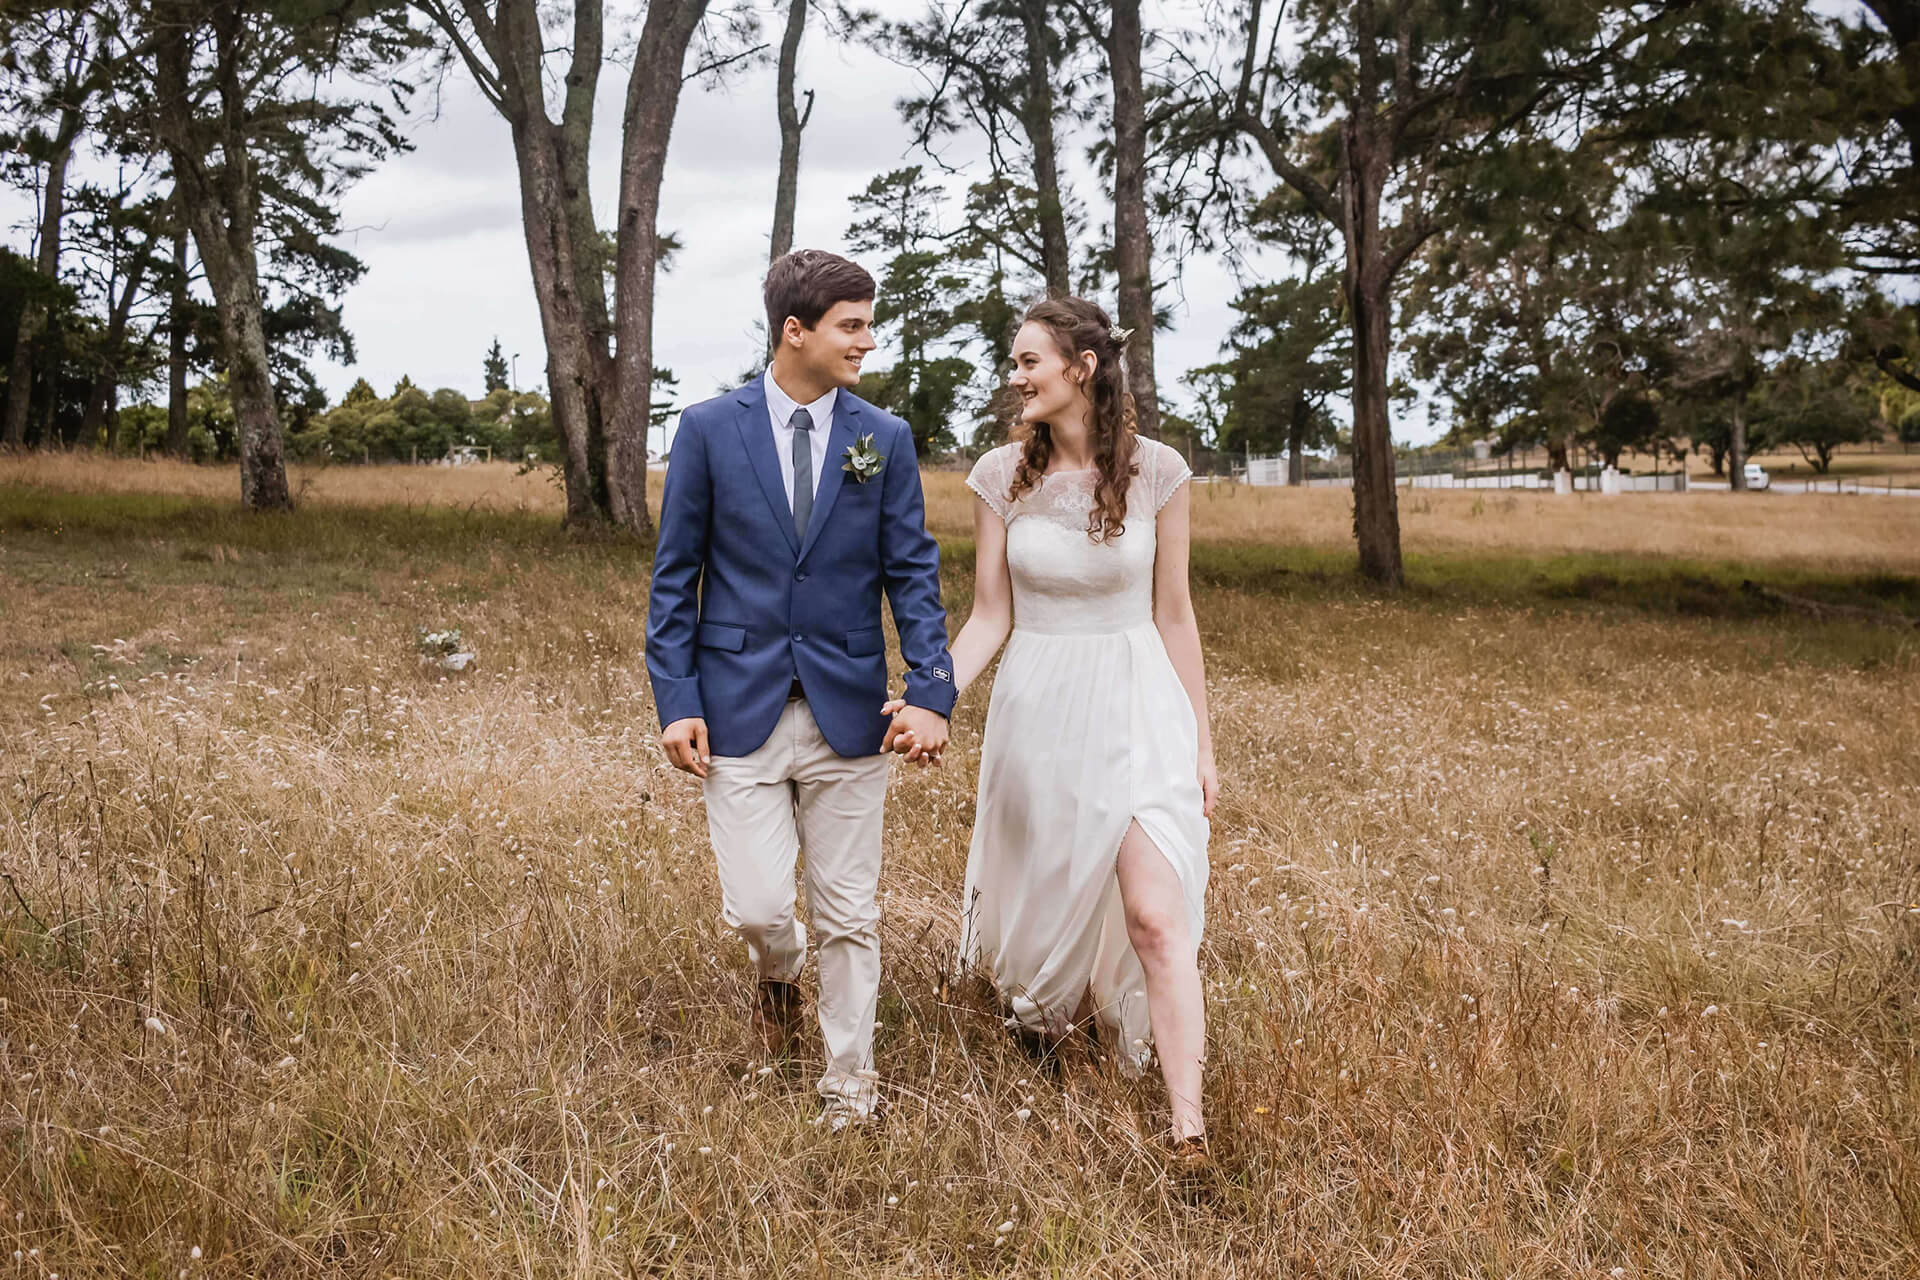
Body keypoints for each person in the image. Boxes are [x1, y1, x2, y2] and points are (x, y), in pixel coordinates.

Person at [890, 296, 1217, 1162]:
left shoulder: (1159, 472)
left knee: (1155, 916)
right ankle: (1055, 1042)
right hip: (1038, 709)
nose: (1016, 376)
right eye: (1015, 362)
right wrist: (932, 698)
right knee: (1047, 919)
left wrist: (1201, 742)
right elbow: (989, 616)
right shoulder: (1000, 476)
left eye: (1029, 360)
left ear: (1083, 366)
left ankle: (1188, 1129)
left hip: (1139, 705)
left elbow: (1175, 615)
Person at [646, 249, 954, 1129]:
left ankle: (849, 1088)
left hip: (851, 712)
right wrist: (678, 701)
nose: (867, 340)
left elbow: (912, 574)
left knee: (849, 914)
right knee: (758, 909)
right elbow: (676, 578)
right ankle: (777, 973)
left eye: (867, 324)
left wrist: (930, 690)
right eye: (851, 325)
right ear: (795, 331)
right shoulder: (708, 429)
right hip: (734, 708)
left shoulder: (883, 438)